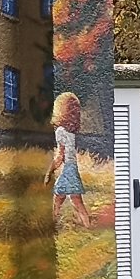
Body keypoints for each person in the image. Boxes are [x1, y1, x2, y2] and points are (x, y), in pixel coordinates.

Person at [46, 90, 93, 229]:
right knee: (70, 199)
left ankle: (53, 226)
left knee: (63, 199)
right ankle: (86, 226)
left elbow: (60, 156)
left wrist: (49, 172)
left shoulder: (60, 131)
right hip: (72, 168)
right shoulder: (71, 133)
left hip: (68, 170)